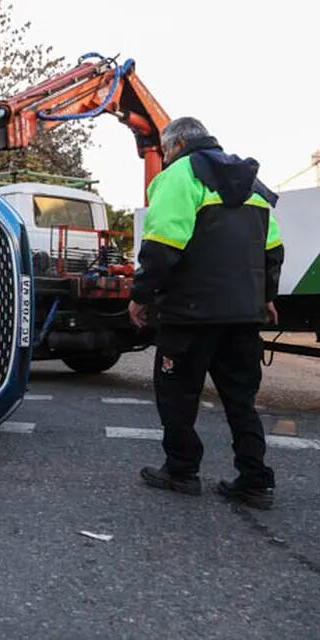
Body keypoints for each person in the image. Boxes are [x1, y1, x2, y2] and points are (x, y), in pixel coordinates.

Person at [129, 117, 283, 510]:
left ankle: (181, 470)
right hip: (243, 316)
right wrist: (266, 296)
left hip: (189, 315)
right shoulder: (252, 181)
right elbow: (273, 249)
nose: (163, 158)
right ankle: (254, 480)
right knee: (240, 399)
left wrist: (141, 295)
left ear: (178, 144)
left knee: (177, 394)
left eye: (164, 150)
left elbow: (162, 245)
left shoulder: (179, 176)